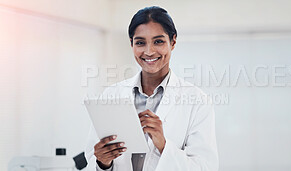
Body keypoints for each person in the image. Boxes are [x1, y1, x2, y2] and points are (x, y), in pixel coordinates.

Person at [84, 6, 219, 171]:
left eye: (158, 41)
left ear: (173, 42)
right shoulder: (111, 95)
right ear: (131, 44)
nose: (149, 51)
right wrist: (102, 163)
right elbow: (91, 160)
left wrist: (163, 145)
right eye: (140, 42)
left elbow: (205, 167)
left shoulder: (198, 101)